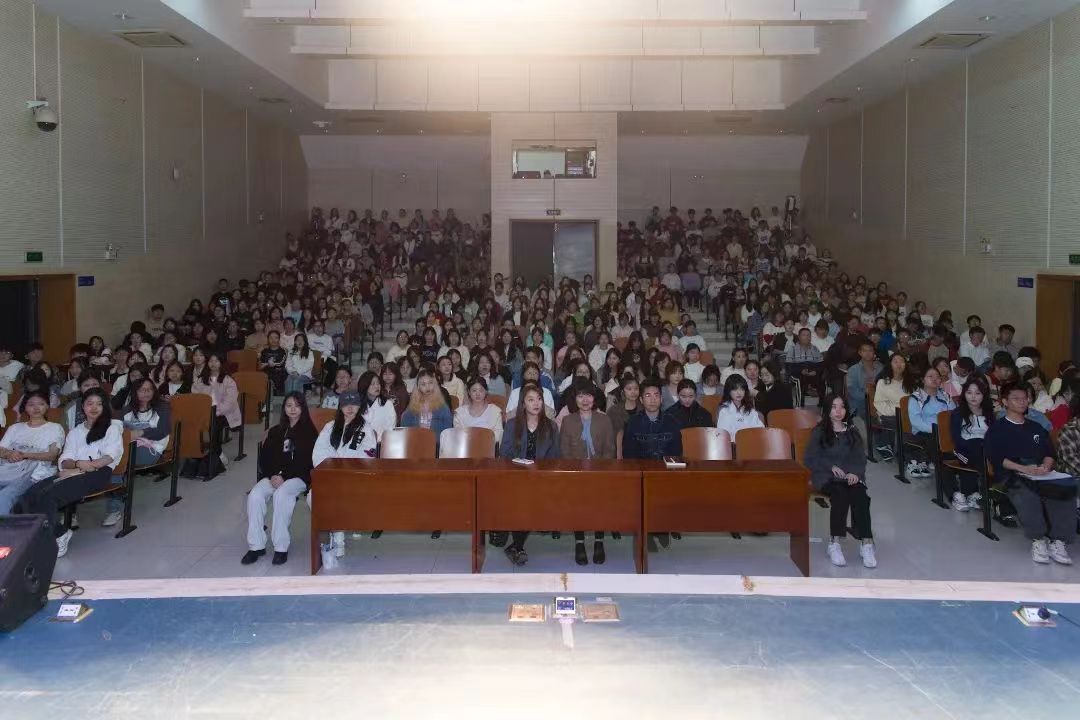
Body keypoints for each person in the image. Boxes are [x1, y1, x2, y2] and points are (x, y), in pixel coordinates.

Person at [28, 389, 124, 557]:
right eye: (89, 403)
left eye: (99, 404)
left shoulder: (112, 428)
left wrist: (80, 468)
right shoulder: (75, 432)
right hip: (72, 471)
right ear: (83, 407)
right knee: (30, 494)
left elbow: (107, 458)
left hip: (98, 473)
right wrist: (77, 466)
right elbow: (65, 460)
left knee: (49, 496)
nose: (94, 407)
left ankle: (59, 535)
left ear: (105, 407)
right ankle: (47, 533)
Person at [986, 383, 1075, 565]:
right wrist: (1023, 469)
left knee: (1064, 489)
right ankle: (1038, 540)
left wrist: (1045, 467)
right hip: (1011, 473)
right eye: (1016, 399)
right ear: (1005, 402)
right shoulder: (997, 429)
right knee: (1027, 493)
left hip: (1039, 472)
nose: (1022, 402)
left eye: (1025, 398)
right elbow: (997, 458)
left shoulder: (1036, 427)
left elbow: (1050, 453)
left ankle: (1058, 541)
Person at [242, 392, 317, 566]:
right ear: (283, 408)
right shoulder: (276, 431)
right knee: (255, 495)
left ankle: (280, 547)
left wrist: (284, 476)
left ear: (303, 408)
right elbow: (265, 458)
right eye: (289, 405)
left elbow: (306, 462)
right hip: (274, 476)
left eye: (297, 405)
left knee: (281, 495)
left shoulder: (309, 433)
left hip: (298, 477)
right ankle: (256, 545)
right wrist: (273, 475)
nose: (292, 409)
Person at [803, 394, 876, 568]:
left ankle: (866, 543)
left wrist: (855, 473)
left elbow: (859, 458)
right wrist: (831, 466)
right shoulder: (819, 431)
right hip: (826, 476)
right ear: (827, 410)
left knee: (861, 496)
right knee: (840, 495)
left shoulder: (852, 431)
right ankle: (834, 543)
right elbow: (810, 458)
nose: (838, 411)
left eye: (842, 407)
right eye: (834, 407)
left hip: (849, 476)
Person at [498, 384, 560, 566]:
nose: (536, 403)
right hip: (516, 475)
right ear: (523, 404)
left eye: (539, 399)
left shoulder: (551, 426)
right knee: (521, 498)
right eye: (531, 400)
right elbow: (505, 452)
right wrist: (521, 465)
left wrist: (541, 473)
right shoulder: (512, 425)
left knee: (533, 498)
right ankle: (516, 546)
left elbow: (554, 456)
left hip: (541, 477)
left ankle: (516, 546)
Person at [311, 391, 379, 557]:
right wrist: (334, 467)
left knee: (338, 495)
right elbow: (318, 453)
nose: (350, 408)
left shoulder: (366, 429)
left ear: (359, 407)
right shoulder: (330, 427)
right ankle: (335, 531)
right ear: (340, 407)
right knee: (313, 497)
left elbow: (367, 457)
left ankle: (338, 537)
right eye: (346, 405)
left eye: (354, 404)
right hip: (330, 476)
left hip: (353, 477)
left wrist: (341, 465)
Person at [559, 379, 615, 566]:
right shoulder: (567, 421)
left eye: (589, 395)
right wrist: (578, 473)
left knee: (601, 503)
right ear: (574, 399)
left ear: (595, 398)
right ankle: (579, 542)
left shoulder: (604, 420)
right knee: (578, 503)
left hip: (600, 473)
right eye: (580, 396)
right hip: (576, 474)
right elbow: (565, 452)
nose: (585, 400)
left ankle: (599, 541)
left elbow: (610, 450)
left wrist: (598, 471)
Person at [109, 378, 172, 526]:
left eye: (149, 389)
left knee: (116, 460)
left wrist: (140, 432)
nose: (146, 393)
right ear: (134, 392)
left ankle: (114, 508)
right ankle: (117, 497)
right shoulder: (127, 410)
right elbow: (117, 429)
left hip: (152, 449)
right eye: (142, 390)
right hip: (129, 448)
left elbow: (163, 431)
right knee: (115, 459)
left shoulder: (162, 407)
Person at [0, 391, 64, 515]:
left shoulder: (55, 428)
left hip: (34, 474)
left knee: (4, 497)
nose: (36, 408)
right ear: (25, 407)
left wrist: (24, 455)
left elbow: (52, 455)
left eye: (41, 404)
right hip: (7, 469)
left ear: (47, 406)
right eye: (31, 404)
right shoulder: (15, 428)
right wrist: (9, 454)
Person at [947, 377, 993, 512]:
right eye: (969, 392)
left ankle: (981, 493)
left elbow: (993, 435)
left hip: (984, 447)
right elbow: (956, 438)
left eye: (978, 393)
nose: (973, 396)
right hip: (964, 449)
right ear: (964, 394)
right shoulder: (958, 413)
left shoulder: (989, 413)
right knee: (981, 457)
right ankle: (984, 493)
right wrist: (971, 446)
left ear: (983, 395)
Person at [905, 366, 956, 479]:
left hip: (943, 430)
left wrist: (947, 429)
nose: (935, 379)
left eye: (937, 377)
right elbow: (916, 422)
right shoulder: (916, 398)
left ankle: (948, 465)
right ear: (923, 380)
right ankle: (943, 467)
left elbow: (953, 414)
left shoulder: (945, 395)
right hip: (924, 431)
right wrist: (935, 430)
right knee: (934, 439)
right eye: (930, 376)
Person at [622, 378, 682, 460]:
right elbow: (628, 456)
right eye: (648, 395)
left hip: (665, 467)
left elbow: (676, 454)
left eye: (656, 395)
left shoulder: (672, 422)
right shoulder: (632, 423)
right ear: (641, 400)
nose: (652, 400)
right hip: (641, 467)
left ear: (661, 399)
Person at [872, 354, 912, 461]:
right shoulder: (883, 382)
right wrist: (897, 412)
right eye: (895, 361)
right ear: (890, 364)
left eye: (902, 361)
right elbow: (879, 403)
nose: (899, 364)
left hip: (908, 414)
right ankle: (905, 452)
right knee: (907, 423)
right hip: (889, 415)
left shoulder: (910, 382)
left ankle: (910, 451)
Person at [401, 367, 454, 443]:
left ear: (435, 385)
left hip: (436, 444)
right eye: (423, 384)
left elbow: (447, 432)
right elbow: (405, 430)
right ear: (418, 387)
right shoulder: (411, 408)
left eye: (430, 383)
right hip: (415, 444)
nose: (427, 387)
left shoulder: (443, 407)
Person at [453, 377, 504, 445]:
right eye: (474, 390)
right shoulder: (459, 413)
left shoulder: (495, 411)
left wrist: (481, 441)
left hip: (488, 448)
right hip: (465, 448)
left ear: (486, 391)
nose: (478, 394)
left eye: (481, 390)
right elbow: (457, 437)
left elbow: (498, 436)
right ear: (469, 392)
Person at [715, 374, 765, 440]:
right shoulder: (723, 410)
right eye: (735, 389)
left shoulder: (750, 409)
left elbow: (760, 429)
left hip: (751, 442)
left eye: (742, 389)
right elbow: (723, 434)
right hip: (732, 444)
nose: (739, 393)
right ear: (728, 391)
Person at [259, 331, 287, 395]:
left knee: (279, 374)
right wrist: (268, 364)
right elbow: (260, 365)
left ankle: (276, 392)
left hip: (279, 373)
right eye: (271, 338)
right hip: (266, 373)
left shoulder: (283, 351)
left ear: (279, 339)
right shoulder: (264, 351)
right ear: (268, 339)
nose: (273, 340)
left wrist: (267, 364)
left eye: (276, 338)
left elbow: (281, 364)